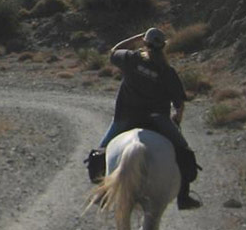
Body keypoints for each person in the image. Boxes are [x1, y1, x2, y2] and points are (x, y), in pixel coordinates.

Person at [85, 27, 202, 210]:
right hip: (158, 120)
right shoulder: (167, 71)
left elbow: (114, 51)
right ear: (163, 47)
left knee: (101, 152)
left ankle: (104, 192)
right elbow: (179, 103)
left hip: (126, 117)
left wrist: (136, 37)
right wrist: (176, 118)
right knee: (184, 152)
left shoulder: (131, 59)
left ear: (145, 44)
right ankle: (184, 197)